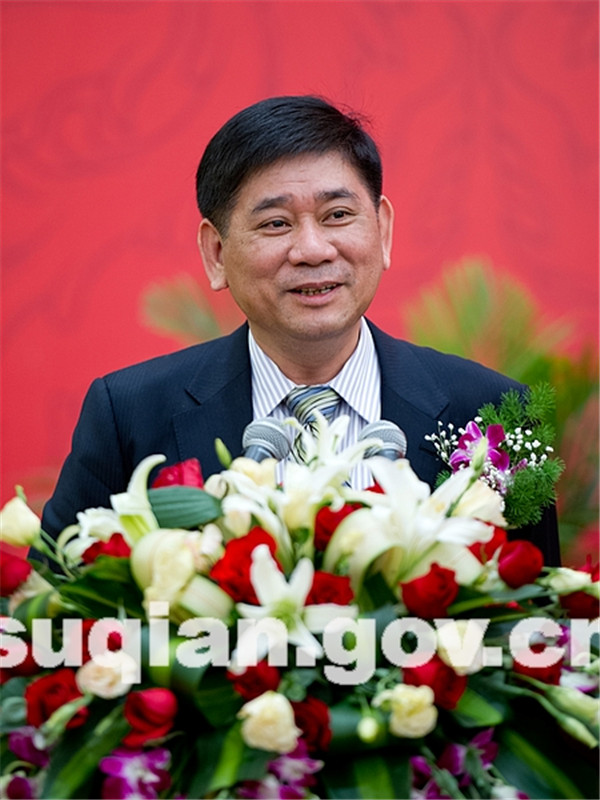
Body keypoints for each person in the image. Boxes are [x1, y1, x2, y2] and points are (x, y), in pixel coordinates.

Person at [40, 95, 560, 564]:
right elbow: (55, 607)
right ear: (216, 253)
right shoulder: (130, 414)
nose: (312, 250)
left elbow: (533, 620)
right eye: (276, 224)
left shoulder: (491, 413)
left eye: (337, 215)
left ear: (382, 231)